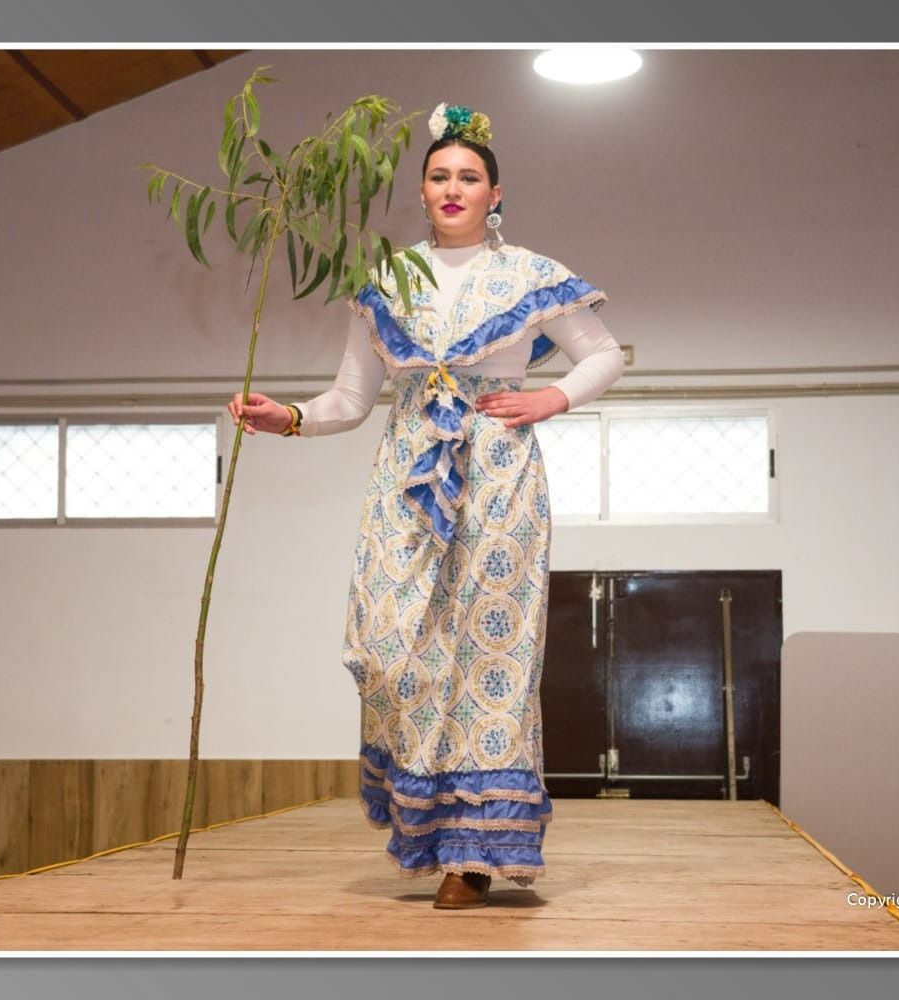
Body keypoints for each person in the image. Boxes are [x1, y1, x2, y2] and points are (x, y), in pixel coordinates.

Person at [228, 103, 623, 909]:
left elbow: (606, 352)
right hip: (408, 472)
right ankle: (429, 818)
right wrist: (289, 418)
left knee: (489, 656)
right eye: (439, 175)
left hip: (499, 470)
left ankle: (472, 853)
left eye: (468, 177)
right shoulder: (384, 280)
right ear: (419, 191)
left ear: (494, 192)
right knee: (389, 646)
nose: (453, 187)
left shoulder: (530, 274)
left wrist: (550, 398)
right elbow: (350, 396)